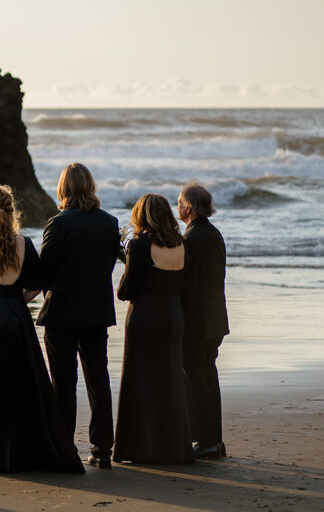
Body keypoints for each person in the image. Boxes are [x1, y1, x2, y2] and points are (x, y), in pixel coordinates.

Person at [0, 185, 84, 473]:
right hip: (15, 318)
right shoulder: (24, 243)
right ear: (12, 209)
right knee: (20, 385)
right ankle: (22, 448)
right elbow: (36, 287)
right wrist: (13, 302)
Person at [36, 162, 120, 468]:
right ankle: (102, 450)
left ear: (63, 188)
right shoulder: (109, 223)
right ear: (90, 186)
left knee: (64, 383)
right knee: (98, 380)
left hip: (62, 313)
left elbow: (44, 273)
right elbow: (109, 265)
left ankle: (64, 447)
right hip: (97, 311)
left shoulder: (58, 223)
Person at [113, 193, 195, 465]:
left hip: (145, 318)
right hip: (173, 318)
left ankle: (140, 449)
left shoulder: (138, 245)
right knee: (169, 381)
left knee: (141, 382)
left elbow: (126, 291)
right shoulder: (181, 244)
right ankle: (173, 448)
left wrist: (124, 262)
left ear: (141, 215)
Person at [178, 183, 229, 459]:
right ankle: (213, 439)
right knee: (207, 377)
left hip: (199, 320)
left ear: (188, 207)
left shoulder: (193, 238)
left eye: (179, 203)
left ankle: (205, 439)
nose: (177, 208)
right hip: (215, 316)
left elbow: (189, 284)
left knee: (197, 379)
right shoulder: (213, 234)